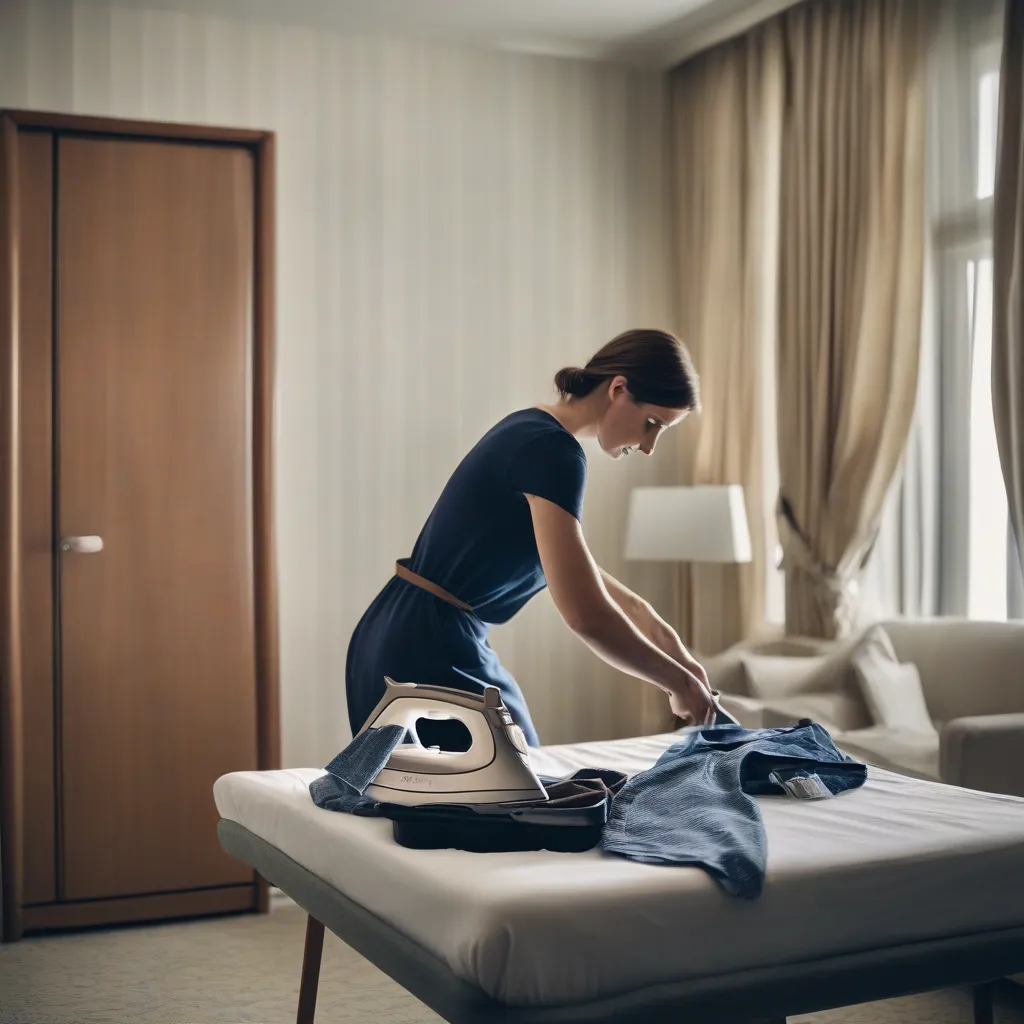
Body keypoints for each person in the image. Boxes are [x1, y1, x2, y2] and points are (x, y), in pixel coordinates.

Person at [345, 328, 719, 749]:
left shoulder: (531, 428)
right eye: (652, 424)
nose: (650, 446)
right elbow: (586, 613)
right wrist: (677, 683)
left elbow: (585, 576)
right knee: (508, 791)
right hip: (427, 643)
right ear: (618, 389)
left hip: (403, 628)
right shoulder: (554, 452)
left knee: (478, 795)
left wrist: (668, 642)